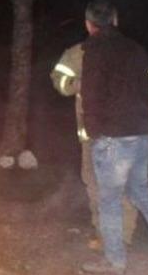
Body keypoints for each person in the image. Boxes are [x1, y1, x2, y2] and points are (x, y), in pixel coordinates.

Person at [77, 0, 148, 274]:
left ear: (89, 24)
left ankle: (114, 260)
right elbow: (146, 92)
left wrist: (96, 133)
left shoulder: (95, 50)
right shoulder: (136, 49)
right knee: (138, 190)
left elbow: (91, 95)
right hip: (139, 134)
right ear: (116, 21)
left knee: (109, 199)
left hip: (113, 138)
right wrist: (147, 126)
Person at [50, 42, 140, 250]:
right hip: (91, 135)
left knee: (121, 184)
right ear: (89, 24)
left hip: (121, 132)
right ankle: (103, 234)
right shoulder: (78, 53)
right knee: (93, 183)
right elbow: (58, 78)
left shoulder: (127, 50)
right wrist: (76, 84)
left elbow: (146, 78)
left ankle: (124, 235)